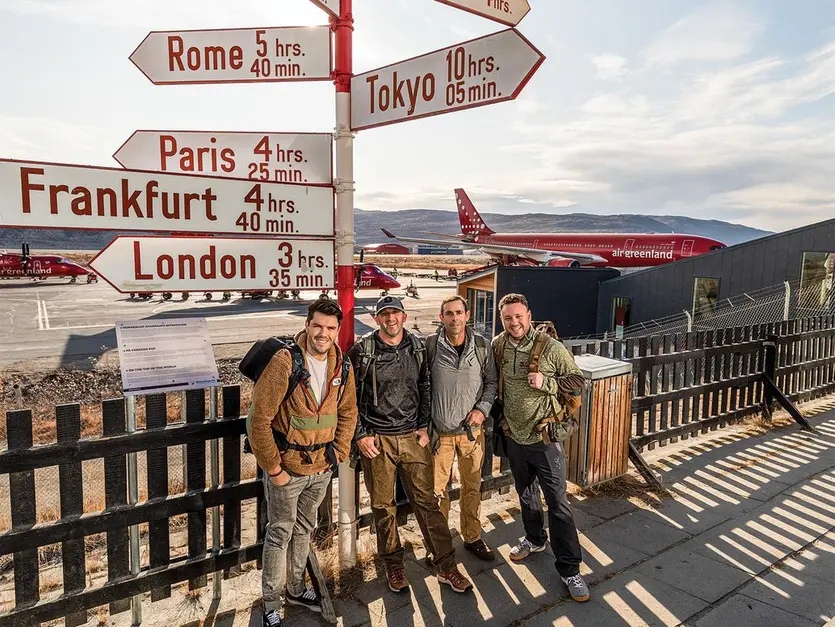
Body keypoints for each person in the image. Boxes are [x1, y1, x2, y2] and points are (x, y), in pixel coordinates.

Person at [349, 295, 473, 594]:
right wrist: (361, 433)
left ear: (404, 317)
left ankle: (446, 565)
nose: (391, 319)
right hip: (377, 440)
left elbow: (425, 386)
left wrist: (423, 426)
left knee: (427, 502)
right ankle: (393, 565)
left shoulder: (416, 347)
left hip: (413, 438)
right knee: (382, 507)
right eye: (384, 315)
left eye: (396, 314)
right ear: (377, 319)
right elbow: (349, 397)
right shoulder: (363, 350)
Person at [248, 299, 358, 627]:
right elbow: (258, 420)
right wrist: (274, 469)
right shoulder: (286, 362)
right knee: (279, 533)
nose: (323, 334)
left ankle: (296, 588)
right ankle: (271, 603)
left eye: (330, 328)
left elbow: (348, 411)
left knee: (303, 530)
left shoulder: (342, 365)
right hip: (288, 468)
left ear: (337, 331)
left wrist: (337, 453)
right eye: (317, 326)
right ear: (308, 325)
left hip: (321, 468)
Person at [492, 293, 590, 603]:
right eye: (508, 317)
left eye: (519, 316)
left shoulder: (550, 347)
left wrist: (546, 383)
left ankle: (570, 569)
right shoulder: (498, 345)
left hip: (544, 438)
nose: (514, 322)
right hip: (515, 437)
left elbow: (577, 382)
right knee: (525, 494)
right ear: (502, 319)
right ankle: (534, 539)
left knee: (558, 504)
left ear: (529, 315)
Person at [426, 295, 498, 561]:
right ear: (441, 316)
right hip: (440, 434)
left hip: (471, 434)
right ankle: (440, 544)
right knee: (437, 492)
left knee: (472, 486)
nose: (454, 318)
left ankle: (472, 536)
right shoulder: (431, 346)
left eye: (459, 312)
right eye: (449, 313)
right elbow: (423, 386)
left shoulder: (481, 345)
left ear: (467, 315)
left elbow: (491, 383)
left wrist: (482, 409)